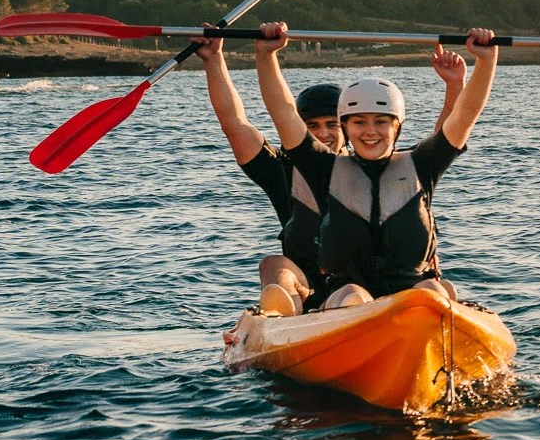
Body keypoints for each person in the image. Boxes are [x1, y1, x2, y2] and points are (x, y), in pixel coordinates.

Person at [196, 29, 464, 314]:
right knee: (273, 265)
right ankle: (286, 314)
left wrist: (454, 86)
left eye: (331, 125)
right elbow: (234, 124)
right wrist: (214, 60)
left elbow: (446, 137)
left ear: (347, 127)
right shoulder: (283, 171)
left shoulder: (388, 169)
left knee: (440, 287)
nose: (323, 134)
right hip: (313, 289)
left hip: (386, 285)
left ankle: (435, 314)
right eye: (312, 127)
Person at [259, 21, 497, 310]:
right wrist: (267, 56)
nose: (370, 131)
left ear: (397, 127)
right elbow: (283, 113)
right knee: (353, 298)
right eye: (359, 122)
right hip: (346, 300)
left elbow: (465, 114)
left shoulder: (422, 164)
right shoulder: (324, 168)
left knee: (431, 290)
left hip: (416, 298)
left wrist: (486, 60)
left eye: (381, 121)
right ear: (345, 127)